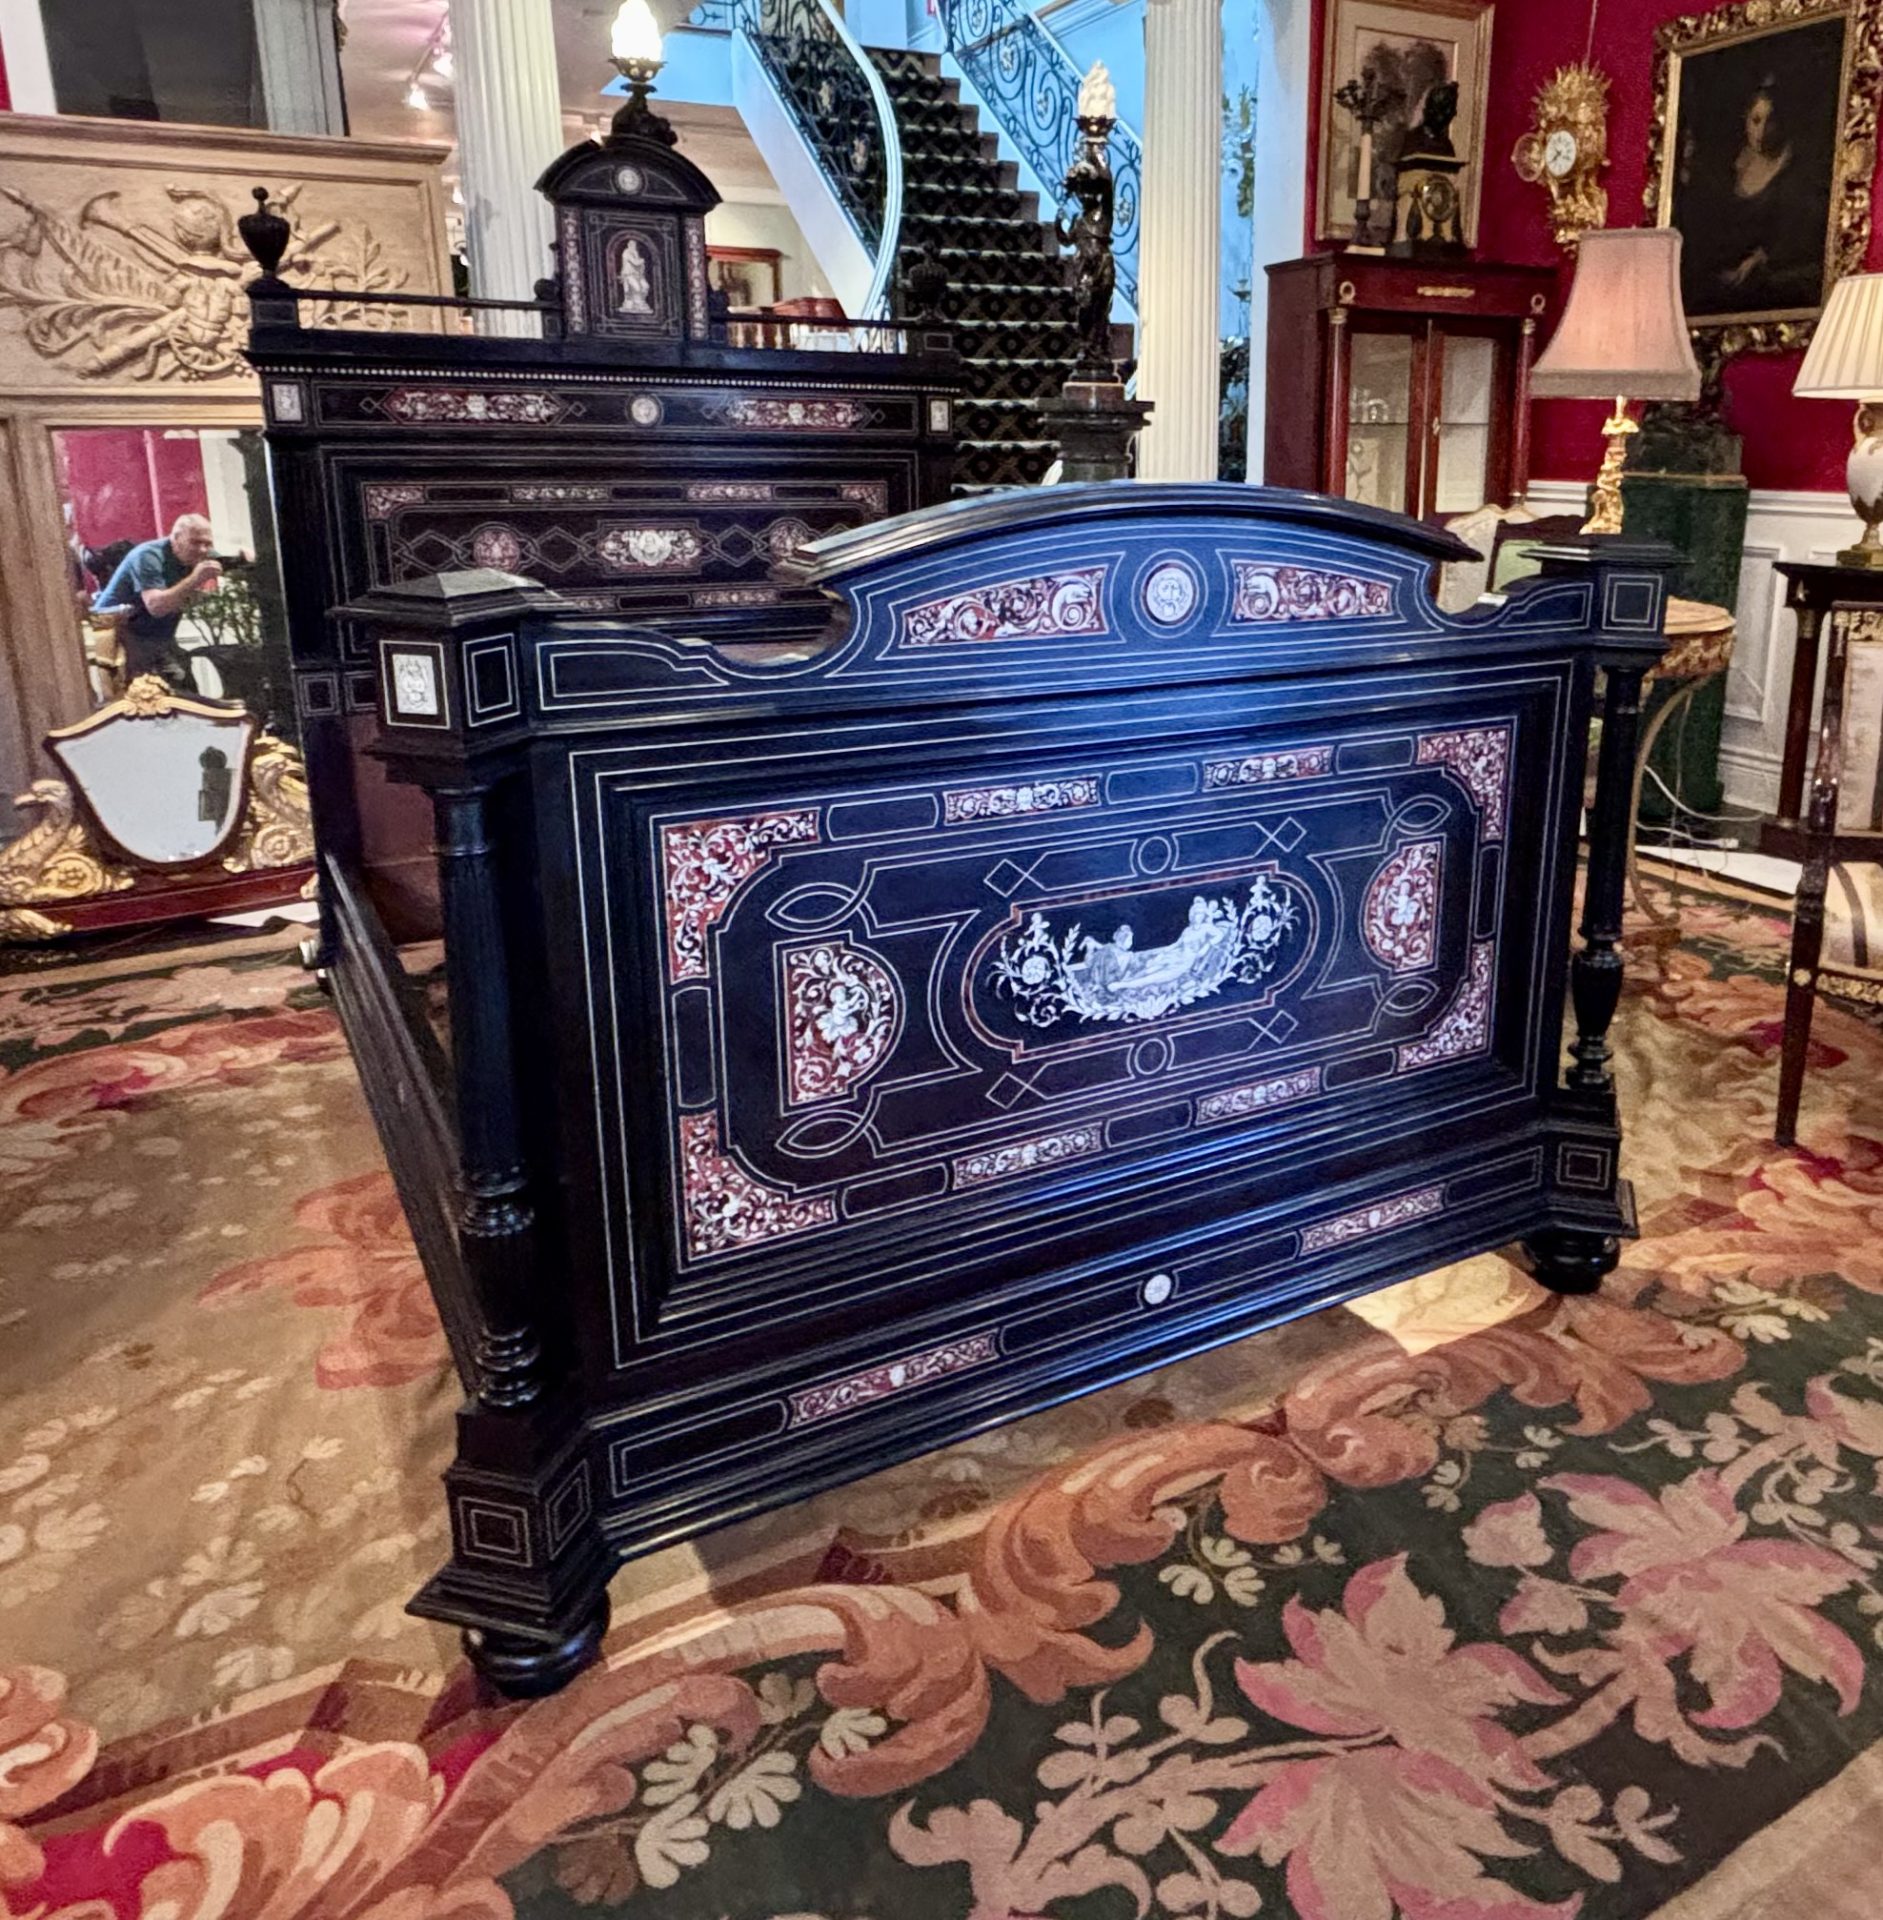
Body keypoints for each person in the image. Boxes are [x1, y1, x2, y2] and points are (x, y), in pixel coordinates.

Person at [92, 513, 223, 688]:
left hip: (159, 635)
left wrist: (245, 558)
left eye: (207, 543)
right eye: (195, 542)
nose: (202, 550)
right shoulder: (148, 556)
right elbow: (156, 607)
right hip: (124, 634)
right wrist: (195, 579)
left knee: (185, 688)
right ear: (176, 538)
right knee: (144, 694)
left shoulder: (201, 554)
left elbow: (225, 562)